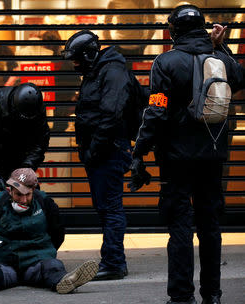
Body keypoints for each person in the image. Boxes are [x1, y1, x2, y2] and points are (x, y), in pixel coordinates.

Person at [129, 5, 244, 304]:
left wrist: (139, 151)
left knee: (180, 225)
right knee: (210, 226)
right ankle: (213, 295)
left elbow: (155, 110)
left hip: (176, 159)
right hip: (214, 156)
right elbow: (240, 78)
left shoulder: (165, 62)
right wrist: (222, 46)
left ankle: (181, 296)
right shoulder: (220, 59)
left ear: (173, 31)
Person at [0, 168, 99, 297]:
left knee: (53, 267)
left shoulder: (45, 202)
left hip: (37, 264)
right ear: (10, 190)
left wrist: (47, 252)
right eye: (19, 194)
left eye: (28, 194)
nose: (24, 199)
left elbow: (58, 232)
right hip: (6, 265)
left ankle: (66, 281)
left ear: (34, 190)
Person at [61, 30, 136, 280]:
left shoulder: (112, 71)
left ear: (89, 55)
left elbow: (111, 115)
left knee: (111, 207)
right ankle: (113, 259)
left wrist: (94, 150)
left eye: (77, 59)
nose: (74, 65)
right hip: (100, 152)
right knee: (105, 207)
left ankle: (114, 262)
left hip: (108, 152)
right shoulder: (98, 71)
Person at [0, 83, 50, 194]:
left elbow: (40, 143)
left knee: (30, 199)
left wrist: (25, 168)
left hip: (18, 159)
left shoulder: (35, 108)